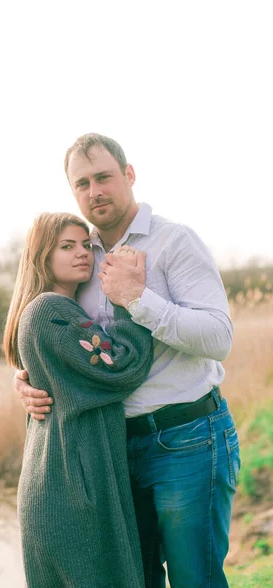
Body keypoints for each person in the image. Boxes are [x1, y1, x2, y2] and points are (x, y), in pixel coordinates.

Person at [13, 133, 241, 588]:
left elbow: (219, 337)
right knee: (135, 580)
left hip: (187, 437)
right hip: (113, 451)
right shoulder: (81, 255)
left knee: (195, 579)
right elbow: (67, 343)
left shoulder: (175, 241)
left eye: (103, 177)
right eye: (82, 183)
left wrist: (138, 299)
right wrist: (28, 379)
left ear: (129, 175)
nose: (94, 191)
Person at [4, 212, 153, 588]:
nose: (82, 253)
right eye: (66, 246)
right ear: (41, 256)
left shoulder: (56, 310)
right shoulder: (50, 311)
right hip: (68, 492)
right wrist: (126, 299)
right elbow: (122, 366)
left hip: (64, 483)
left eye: (86, 245)